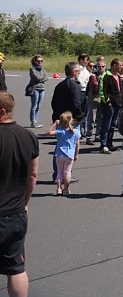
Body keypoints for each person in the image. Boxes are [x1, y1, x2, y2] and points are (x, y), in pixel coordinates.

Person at [0, 91, 39, 297]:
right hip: (15, 212)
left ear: (2, 111)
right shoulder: (28, 136)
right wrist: (25, 202)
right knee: (16, 266)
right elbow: (33, 174)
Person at [48, 111, 80, 196]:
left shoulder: (60, 131)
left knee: (59, 172)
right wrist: (76, 154)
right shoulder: (75, 132)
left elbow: (49, 132)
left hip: (59, 155)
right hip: (69, 155)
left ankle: (58, 188)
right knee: (67, 172)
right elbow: (77, 144)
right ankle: (66, 189)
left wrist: (55, 124)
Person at [99, 59, 123, 153]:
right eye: (119, 65)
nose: (121, 67)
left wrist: (122, 101)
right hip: (109, 104)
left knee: (113, 125)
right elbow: (102, 91)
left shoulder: (117, 76)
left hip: (117, 103)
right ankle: (103, 145)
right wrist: (107, 101)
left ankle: (109, 144)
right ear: (114, 65)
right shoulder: (106, 75)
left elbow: (120, 90)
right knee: (106, 124)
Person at [27, 55, 48, 128]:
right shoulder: (32, 68)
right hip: (35, 88)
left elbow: (46, 77)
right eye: (38, 61)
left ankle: (36, 120)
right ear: (34, 61)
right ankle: (33, 122)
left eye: (41, 61)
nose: (40, 62)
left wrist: (42, 79)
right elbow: (36, 78)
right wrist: (42, 79)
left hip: (42, 89)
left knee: (39, 106)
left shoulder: (42, 68)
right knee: (34, 106)